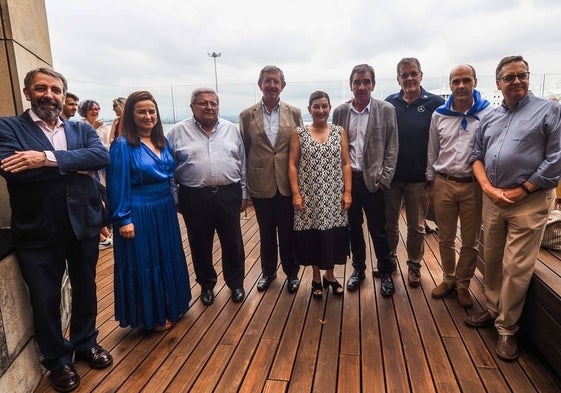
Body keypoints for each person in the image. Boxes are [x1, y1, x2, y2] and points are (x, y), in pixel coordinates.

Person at [0, 68, 112, 393]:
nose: (49, 94)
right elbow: (13, 170)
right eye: (41, 88)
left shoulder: (79, 128)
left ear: (63, 95)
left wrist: (44, 159)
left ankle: (86, 343)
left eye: (55, 89)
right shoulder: (8, 127)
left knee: (86, 288)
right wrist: (76, 167)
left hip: (83, 226)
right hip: (37, 231)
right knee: (45, 299)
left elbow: (100, 156)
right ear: (27, 92)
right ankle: (58, 361)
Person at [465, 55, 561, 361]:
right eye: (509, 77)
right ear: (498, 83)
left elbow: (556, 158)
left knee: (517, 265)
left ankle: (506, 329)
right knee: (491, 257)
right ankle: (492, 308)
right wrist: (489, 189)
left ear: (529, 77)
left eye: (522, 75)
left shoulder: (550, 111)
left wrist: (523, 190)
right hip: (493, 199)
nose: (516, 81)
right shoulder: (490, 117)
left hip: (529, 201)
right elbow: (476, 155)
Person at [107, 90, 191, 331]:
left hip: (164, 210)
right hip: (139, 212)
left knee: (167, 257)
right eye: (141, 111)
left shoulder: (161, 142)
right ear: (131, 115)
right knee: (144, 261)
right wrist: (123, 219)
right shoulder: (123, 145)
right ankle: (151, 315)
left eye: (152, 111)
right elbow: (116, 185)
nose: (148, 116)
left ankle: (170, 305)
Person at [168, 88, 247, 306]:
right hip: (194, 196)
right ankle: (207, 285)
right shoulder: (176, 132)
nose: (209, 107)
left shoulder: (231, 129)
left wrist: (244, 191)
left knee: (233, 241)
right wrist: (176, 197)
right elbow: (168, 168)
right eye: (203, 103)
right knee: (200, 243)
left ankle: (236, 283)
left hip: (228, 193)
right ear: (192, 106)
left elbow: (242, 163)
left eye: (214, 103)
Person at [426, 65, 492, 308]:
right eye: (456, 81)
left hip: (473, 185)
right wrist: (430, 182)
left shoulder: (488, 114)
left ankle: (463, 284)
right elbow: (432, 150)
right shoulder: (439, 115)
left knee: (470, 239)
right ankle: (448, 278)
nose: (461, 86)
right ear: (451, 85)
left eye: (466, 80)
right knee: (445, 237)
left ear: (475, 81)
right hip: (444, 182)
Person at [332, 64, 399, 297]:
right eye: (357, 82)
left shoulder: (386, 109)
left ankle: (386, 272)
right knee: (353, 229)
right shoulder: (341, 112)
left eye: (366, 82)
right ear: (351, 85)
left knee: (379, 230)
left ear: (373, 85)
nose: (361, 86)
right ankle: (358, 269)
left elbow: (392, 146)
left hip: (374, 182)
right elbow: (335, 148)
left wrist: (384, 178)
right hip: (349, 182)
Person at [239, 65, 302, 294]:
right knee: (265, 232)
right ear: (260, 85)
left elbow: (300, 150)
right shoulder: (247, 115)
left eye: (276, 81)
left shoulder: (294, 113)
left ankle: (292, 273)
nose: (272, 85)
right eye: (267, 81)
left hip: (287, 183)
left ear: (282, 86)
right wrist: (244, 189)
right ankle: (268, 272)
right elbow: (244, 152)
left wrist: (300, 187)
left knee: (288, 231)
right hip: (260, 183)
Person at [385, 57, 445, 288]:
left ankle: (414, 266)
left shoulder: (436, 103)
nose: (409, 78)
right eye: (404, 75)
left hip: (420, 179)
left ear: (421, 75)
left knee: (417, 226)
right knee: (389, 223)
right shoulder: (389, 103)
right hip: (391, 177)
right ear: (398, 79)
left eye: (413, 74)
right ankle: (389, 261)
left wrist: (434, 177)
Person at [288, 91, 351, 299]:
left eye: (324, 106)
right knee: (313, 237)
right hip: (310, 197)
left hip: (333, 196)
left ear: (329, 107)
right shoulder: (299, 133)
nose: (321, 110)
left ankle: (330, 276)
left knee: (331, 236)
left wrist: (347, 192)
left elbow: (345, 163)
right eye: (316, 106)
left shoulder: (339, 131)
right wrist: (296, 194)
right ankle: (316, 277)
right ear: (309, 109)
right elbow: (292, 165)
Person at [78, 99, 113, 248]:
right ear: (85, 110)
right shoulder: (80, 125)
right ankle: (102, 234)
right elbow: (81, 145)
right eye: (92, 109)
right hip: (88, 168)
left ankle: (107, 230)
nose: (95, 112)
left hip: (102, 164)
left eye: (97, 109)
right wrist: (92, 127)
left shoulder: (103, 124)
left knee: (106, 196)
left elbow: (106, 144)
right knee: (98, 198)